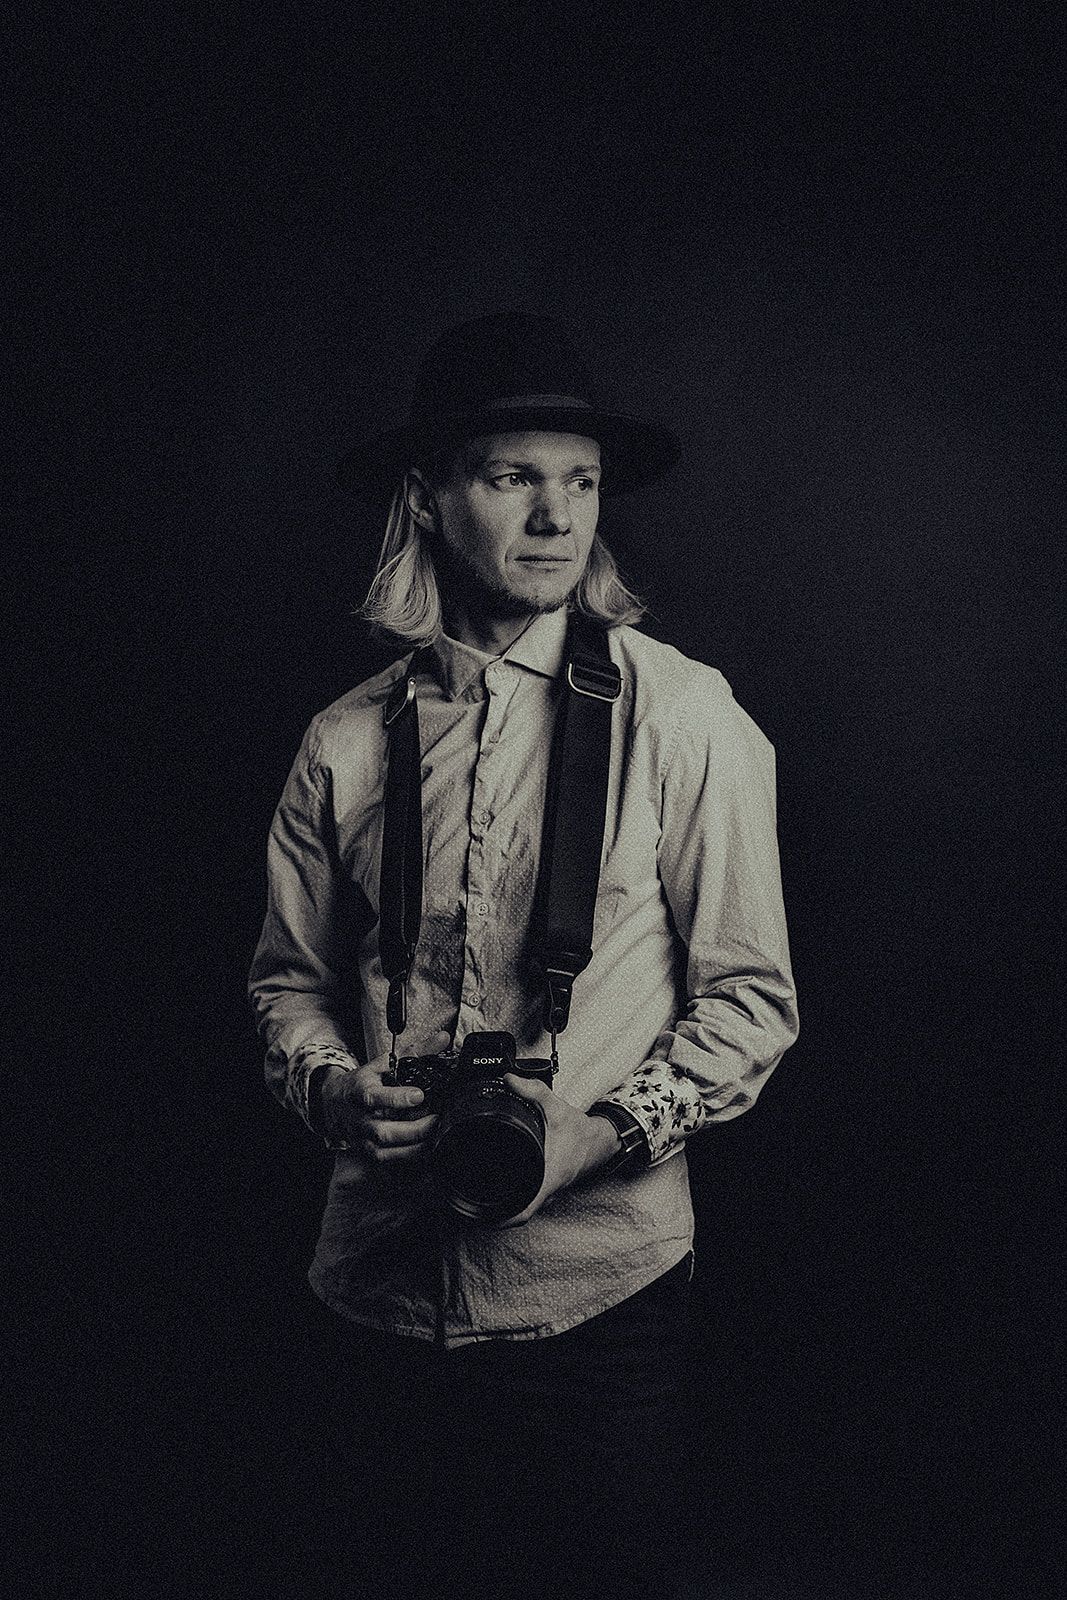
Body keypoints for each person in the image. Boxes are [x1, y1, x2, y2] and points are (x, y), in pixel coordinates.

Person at [248, 312, 798, 1599]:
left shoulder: (684, 716)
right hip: (371, 1292)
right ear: (430, 500)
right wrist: (333, 1085)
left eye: (579, 481)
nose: (556, 518)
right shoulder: (341, 741)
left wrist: (585, 1138)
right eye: (510, 478)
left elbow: (750, 1004)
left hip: (596, 1310)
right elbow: (289, 986)